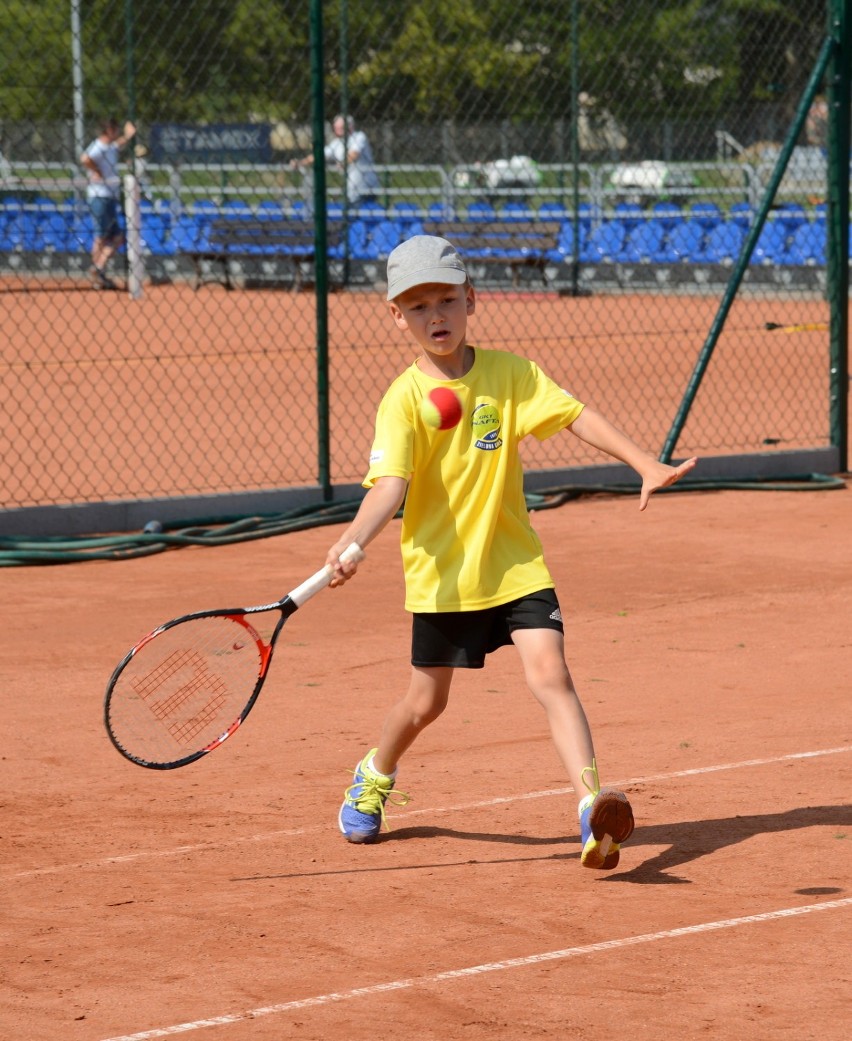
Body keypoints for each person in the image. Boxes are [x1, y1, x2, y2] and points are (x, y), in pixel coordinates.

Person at [325, 234, 697, 870]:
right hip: (444, 576)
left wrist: (643, 461)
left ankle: (590, 812)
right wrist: (354, 540)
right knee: (426, 703)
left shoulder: (511, 375)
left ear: (472, 299)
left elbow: (574, 414)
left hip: (516, 564)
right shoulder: (404, 400)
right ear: (395, 316)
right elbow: (391, 485)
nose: (434, 316)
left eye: (446, 300)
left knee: (552, 675)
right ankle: (373, 773)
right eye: (417, 307)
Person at [80, 118, 136, 289]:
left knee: (113, 236)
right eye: (116, 130)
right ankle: (97, 269)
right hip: (100, 195)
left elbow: (118, 144)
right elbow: (85, 158)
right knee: (103, 236)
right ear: (109, 130)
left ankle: (98, 270)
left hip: (109, 196)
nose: (117, 133)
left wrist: (128, 136)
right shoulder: (99, 146)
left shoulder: (110, 147)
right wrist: (97, 171)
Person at [292, 114, 380, 209]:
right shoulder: (337, 143)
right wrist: (300, 163)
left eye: (340, 127)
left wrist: (344, 162)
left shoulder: (359, 136)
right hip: (351, 190)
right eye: (336, 127)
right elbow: (319, 156)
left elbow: (354, 154)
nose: (337, 130)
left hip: (365, 187)